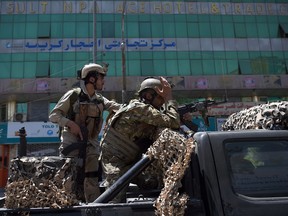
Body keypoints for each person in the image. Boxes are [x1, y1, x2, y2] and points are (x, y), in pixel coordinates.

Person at [100, 76, 181, 202]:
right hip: (115, 161)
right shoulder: (140, 108)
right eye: (161, 97)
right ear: (149, 96)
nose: (163, 101)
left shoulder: (147, 111)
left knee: (152, 183)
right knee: (115, 198)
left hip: (132, 161)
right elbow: (173, 122)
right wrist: (170, 99)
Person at [49, 63, 121, 203]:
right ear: (92, 79)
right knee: (69, 178)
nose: (103, 81)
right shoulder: (74, 95)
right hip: (72, 143)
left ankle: (93, 206)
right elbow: (54, 116)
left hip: (91, 144)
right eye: (101, 78)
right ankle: (66, 205)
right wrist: (70, 124)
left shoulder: (100, 99)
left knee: (92, 178)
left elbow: (117, 107)